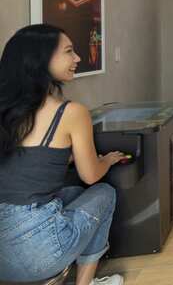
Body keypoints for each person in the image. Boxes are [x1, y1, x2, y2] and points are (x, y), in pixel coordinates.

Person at [0, 24, 125, 285]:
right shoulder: (70, 113)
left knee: (73, 195)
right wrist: (107, 160)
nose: (77, 58)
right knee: (103, 193)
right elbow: (91, 175)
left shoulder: (7, 111)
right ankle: (85, 283)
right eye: (69, 51)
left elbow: (27, 163)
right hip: (39, 255)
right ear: (41, 60)